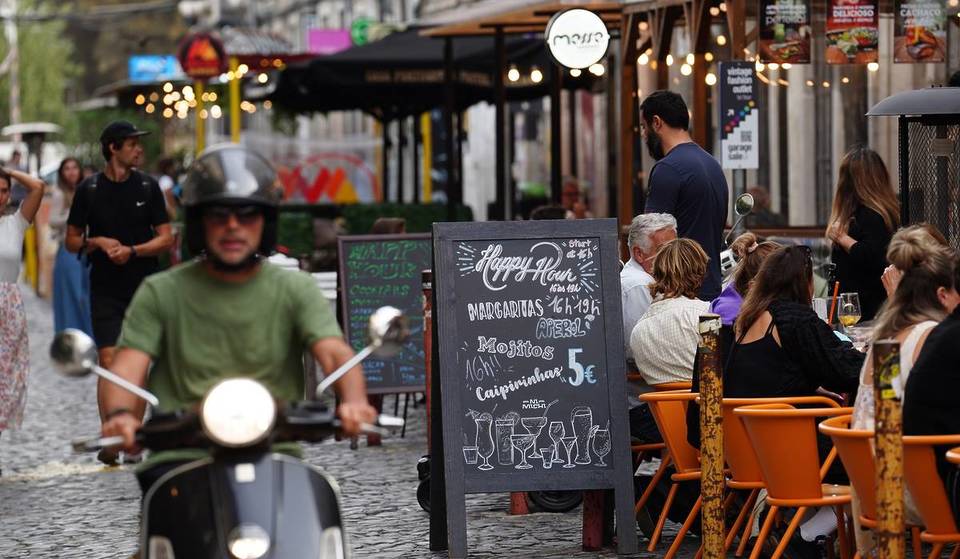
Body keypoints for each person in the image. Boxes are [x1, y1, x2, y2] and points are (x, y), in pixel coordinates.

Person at [98, 145, 377, 493]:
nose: (233, 227)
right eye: (218, 215)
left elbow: (334, 352)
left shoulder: (295, 288)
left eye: (247, 215)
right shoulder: (160, 292)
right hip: (180, 459)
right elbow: (127, 368)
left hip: (275, 453)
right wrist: (121, 416)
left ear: (266, 223)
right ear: (199, 223)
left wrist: (353, 401)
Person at [851, 227, 960, 553]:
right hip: (915, 490)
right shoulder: (932, 336)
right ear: (941, 293)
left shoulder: (886, 338)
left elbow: (888, 403)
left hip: (872, 482)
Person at [65, 121, 173, 420]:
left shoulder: (148, 187)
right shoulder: (89, 189)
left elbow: (166, 238)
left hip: (144, 287)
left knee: (137, 360)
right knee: (108, 358)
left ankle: (135, 432)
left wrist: (133, 250)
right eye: (132, 144)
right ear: (113, 148)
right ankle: (111, 433)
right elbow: (71, 241)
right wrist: (97, 241)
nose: (139, 149)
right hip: (104, 286)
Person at [725, 244, 863, 400]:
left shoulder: (747, 318)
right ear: (805, 282)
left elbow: (768, 374)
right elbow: (845, 373)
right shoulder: (795, 319)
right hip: (787, 420)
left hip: (745, 420)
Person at [641, 90, 728, 301]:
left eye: (643, 127)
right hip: (712, 289)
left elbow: (652, 236)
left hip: (681, 294)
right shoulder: (713, 165)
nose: (643, 135)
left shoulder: (667, 168)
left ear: (656, 122)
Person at [0, 166, 46, 473]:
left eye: (4, 190)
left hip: (8, 309)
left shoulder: (15, 223)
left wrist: (7, 170)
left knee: (4, 381)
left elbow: (38, 187)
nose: (0, 196)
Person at [826, 146, 900, 321]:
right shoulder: (876, 214)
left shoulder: (871, 216)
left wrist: (843, 238)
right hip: (856, 306)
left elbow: (874, 257)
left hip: (865, 308)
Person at [629, 238, 710, 387]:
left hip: (664, 409)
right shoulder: (707, 314)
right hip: (710, 406)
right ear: (699, 272)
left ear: (657, 272)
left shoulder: (638, 331)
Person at [621, 213, 677, 363]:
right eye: (664, 250)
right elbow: (640, 347)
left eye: (675, 249)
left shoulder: (650, 279)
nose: (674, 256)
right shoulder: (639, 284)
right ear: (639, 254)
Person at [49, 157, 93, 336]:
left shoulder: (87, 190)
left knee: (87, 297)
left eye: (74, 167)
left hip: (88, 248)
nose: (71, 172)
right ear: (62, 173)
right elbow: (52, 221)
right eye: (67, 168)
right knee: (72, 297)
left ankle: (92, 340)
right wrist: (73, 215)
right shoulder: (60, 193)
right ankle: (73, 341)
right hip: (68, 251)